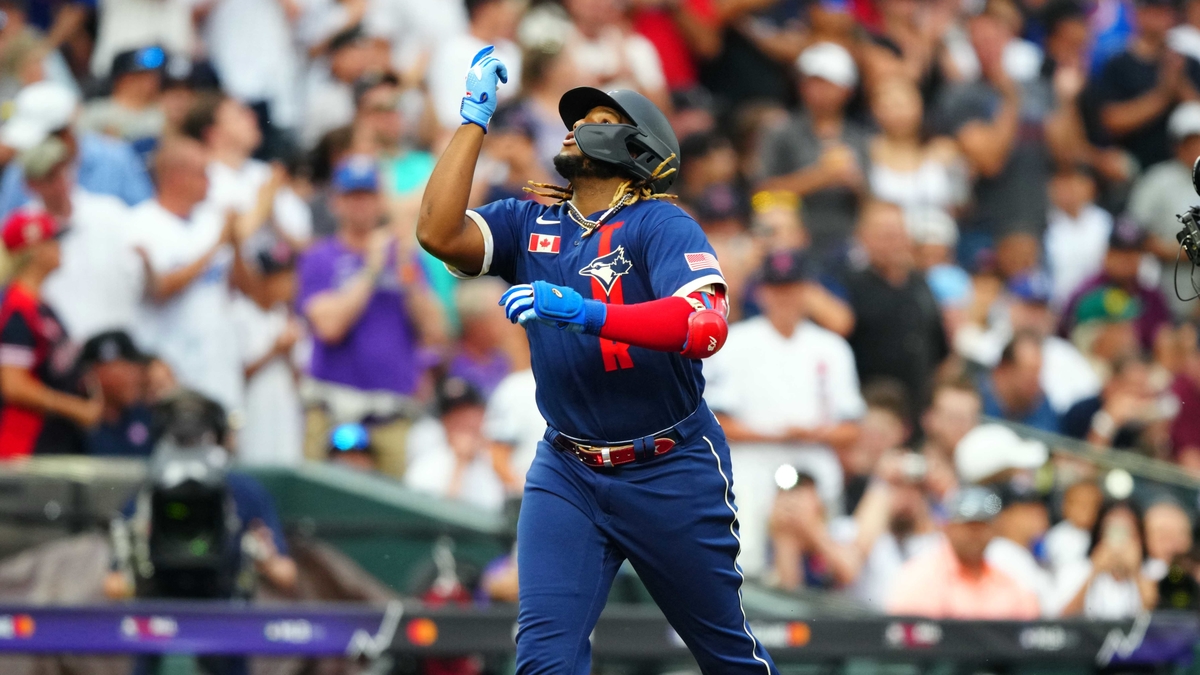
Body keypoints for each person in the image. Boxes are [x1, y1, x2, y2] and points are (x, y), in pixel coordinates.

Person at [416, 47, 779, 673]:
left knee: (727, 656)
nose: (574, 126)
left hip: (669, 465)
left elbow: (705, 326)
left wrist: (586, 311)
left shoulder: (660, 224)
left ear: (639, 146)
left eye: (597, 118)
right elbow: (438, 233)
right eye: (574, 118)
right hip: (568, 467)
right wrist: (473, 120)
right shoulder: (532, 220)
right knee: (544, 661)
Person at [705, 248, 866, 576]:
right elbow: (716, 422)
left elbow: (853, 428)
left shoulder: (831, 347)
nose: (785, 297)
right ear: (761, 292)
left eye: (792, 288)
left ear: (807, 290)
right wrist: (776, 432)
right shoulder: (735, 342)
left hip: (814, 469)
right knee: (746, 566)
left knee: (823, 571)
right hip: (751, 467)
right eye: (777, 289)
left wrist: (812, 433)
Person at [297, 155, 445, 477]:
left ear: (380, 202)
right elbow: (330, 327)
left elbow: (435, 332)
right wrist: (371, 267)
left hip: (390, 414)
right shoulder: (319, 257)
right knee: (316, 510)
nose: (360, 206)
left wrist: (407, 271)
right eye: (352, 197)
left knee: (388, 515)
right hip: (331, 408)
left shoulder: (406, 258)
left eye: (367, 196)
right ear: (336, 202)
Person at [126, 138, 258, 419]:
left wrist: (234, 245)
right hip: (171, 367)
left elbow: (247, 289)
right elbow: (159, 289)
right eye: (202, 173)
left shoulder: (211, 220)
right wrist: (215, 247)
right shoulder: (140, 223)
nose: (209, 181)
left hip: (220, 368)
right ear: (176, 175)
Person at [0, 209, 99, 457]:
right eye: (53, 240)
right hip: (26, 444)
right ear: (35, 250)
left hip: (51, 440)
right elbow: (13, 385)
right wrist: (74, 408)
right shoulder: (18, 311)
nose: (59, 247)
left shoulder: (40, 305)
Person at [757, 42, 870, 257]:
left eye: (826, 83)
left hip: (848, 242)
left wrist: (857, 185)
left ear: (847, 90)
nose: (816, 90)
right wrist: (822, 176)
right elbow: (760, 194)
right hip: (790, 243)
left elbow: (871, 201)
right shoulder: (780, 132)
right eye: (810, 82)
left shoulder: (859, 138)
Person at [26, 136, 142, 343]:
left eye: (63, 171)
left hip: (117, 340)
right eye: (50, 177)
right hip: (61, 350)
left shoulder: (110, 212)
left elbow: (138, 276)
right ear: (32, 185)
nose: (61, 182)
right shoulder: (24, 231)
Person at [845, 201, 948, 412]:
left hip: (917, 406)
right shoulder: (849, 286)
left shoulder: (921, 285)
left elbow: (940, 348)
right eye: (883, 235)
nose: (892, 242)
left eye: (898, 233)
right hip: (868, 407)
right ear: (862, 238)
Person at [0, 81, 153, 216]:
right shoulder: (20, 171)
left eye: (40, 142)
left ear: (65, 133)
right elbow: (5, 231)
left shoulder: (116, 158)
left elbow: (145, 217)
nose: (32, 150)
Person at [887, 485, 1041, 619]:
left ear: (994, 529)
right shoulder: (919, 576)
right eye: (968, 525)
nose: (975, 533)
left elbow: (1030, 623)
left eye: (982, 525)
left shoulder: (1006, 577)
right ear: (948, 526)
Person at [1091, 0, 1200, 171]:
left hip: (1185, 165)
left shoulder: (1187, 62)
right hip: (1137, 162)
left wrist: (1179, 83)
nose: (1163, 18)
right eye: (1155, 11)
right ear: (1138, 14)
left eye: (1167, 11)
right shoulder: (1118, 64)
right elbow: (1111, 121)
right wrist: (1162, 95)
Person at [232, 245, 303, 467]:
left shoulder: (287, 317)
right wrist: (274, 350)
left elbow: (298, 379)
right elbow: (236, 375)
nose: (290, 285)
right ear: (263, 279)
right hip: (251, 412)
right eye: (282, 278)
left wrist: (289, 353)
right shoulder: (239, 314)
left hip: (284, 411)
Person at [1128, 101, 1200, 318]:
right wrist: (1185, 251)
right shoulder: (1156, 180)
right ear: (1177, 145)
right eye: (1190, 142)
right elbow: (1132, 232)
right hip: (1166, 282)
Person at [1059, 220, 1172, 352]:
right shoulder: (1085, 292)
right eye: (1120, 253)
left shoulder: (1152, 297)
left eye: (1132, 253)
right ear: (1107, 255)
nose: (1125, 260)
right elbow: (1065, 340)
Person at [867, 77, 965, 222]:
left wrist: (958, 168)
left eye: (903, 105)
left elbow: (962, 204)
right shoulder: (866, 151)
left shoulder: (945, 149)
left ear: (919, 106)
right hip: (885, 238)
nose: (898, 113)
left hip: (937, 236)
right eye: (889, 106)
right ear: (875, 110)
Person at [403, 376, 505, 512]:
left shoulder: (497, 460)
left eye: (468, 412)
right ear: (444, 422)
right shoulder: (426, 467)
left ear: (482, 414)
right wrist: (460, 464)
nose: (463, 422)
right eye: (453, 414)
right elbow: (440, 520)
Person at [427, 0, 524, 132]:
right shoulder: (454, 51)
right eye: (501, 5)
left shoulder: (512, 51)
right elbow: (452, 118)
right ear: (483, 9)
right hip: (468, 137)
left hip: (511, 135)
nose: (510, 12)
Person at [1053, 500, 1158, 618]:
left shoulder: (1152, 570)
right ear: (1099, 535)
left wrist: (1136, 571)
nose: (1119, 543)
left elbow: (1154, 613)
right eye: (1113, 532)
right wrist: (1094, 571)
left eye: (1127, 533)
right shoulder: (1076, 569)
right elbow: (1063, 617)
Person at [1045, 164, 1113, 310]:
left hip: (1102, 305)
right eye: (1062, 183)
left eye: (1076, 183)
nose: (1070, 190)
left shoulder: (1106, 223)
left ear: (1091, 187)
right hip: (1057, 308)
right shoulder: (1043, 226)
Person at [78, 45, 167, 156]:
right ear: (123, 78)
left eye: (154, 76)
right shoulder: (95, 112)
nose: (152, 81)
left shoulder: (164, 113)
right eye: (142, 76)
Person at [78, 330, 155, 457]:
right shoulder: (75, 426)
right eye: (126, 369)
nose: (136, 377)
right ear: (95, 372)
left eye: (136, 369)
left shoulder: (146, 416)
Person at [1062, 355, 1164, 448]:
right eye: (1132, 388)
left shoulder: (1141, 425)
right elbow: (1084, 462)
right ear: (1112, 384)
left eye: (1143, 389)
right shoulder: (1082, 411)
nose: (1138, 398)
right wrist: (1108, 421)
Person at [978, 332, 1062, 433]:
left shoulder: (1040, 401)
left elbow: (1050, 440)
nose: (1035, 380)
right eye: (1028, 372)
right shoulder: (974, 396)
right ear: (1004, 369)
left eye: (1037, 372)